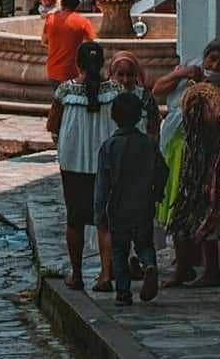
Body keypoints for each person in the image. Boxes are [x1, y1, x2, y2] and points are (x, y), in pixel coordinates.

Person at [154, 37, 220, 287]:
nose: (215, 66)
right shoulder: (188, 70)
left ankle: (211, 270)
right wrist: (182, 73)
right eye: (212, 59)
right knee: (176, 207)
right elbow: (157, 89)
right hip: (176, 149)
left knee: (203, 208)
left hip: (204, 156)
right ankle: (183, 267)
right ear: (205, 55)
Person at [47, 39, 118, 292]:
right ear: (102, 63)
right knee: (105, 220)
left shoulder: (66, 91)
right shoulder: (115, 91)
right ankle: (106, 274)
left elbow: (52, 123)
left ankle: (76, 274)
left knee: (75, 219)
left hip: (74, 162)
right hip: (105, 163)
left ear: (78, 64)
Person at [95, 91, 169, 306]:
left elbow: (102, 184)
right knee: (144, 243)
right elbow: (163, 170)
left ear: (114, 116)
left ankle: (123, 293)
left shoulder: (109, 147)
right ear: (139, 117)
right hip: (144, 203)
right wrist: (157, 192)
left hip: (118, 206)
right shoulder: (149, 144)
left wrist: (99, 212)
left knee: (119, 250)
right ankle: (149, 264)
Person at [42, 0, 96, 85]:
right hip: (74, 73)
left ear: (62, 2)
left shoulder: (50, 19)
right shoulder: (84, 22)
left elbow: (44, 42)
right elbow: (91, 46)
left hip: (53, 71)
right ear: (78, 3)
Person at [108, 51, 161, 138]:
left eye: (129, 75)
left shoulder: (146, 98)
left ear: (136, 75)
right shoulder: (105, 98)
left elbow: (154, 130)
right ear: (112, 75)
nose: (125, 80)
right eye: (120, 75)